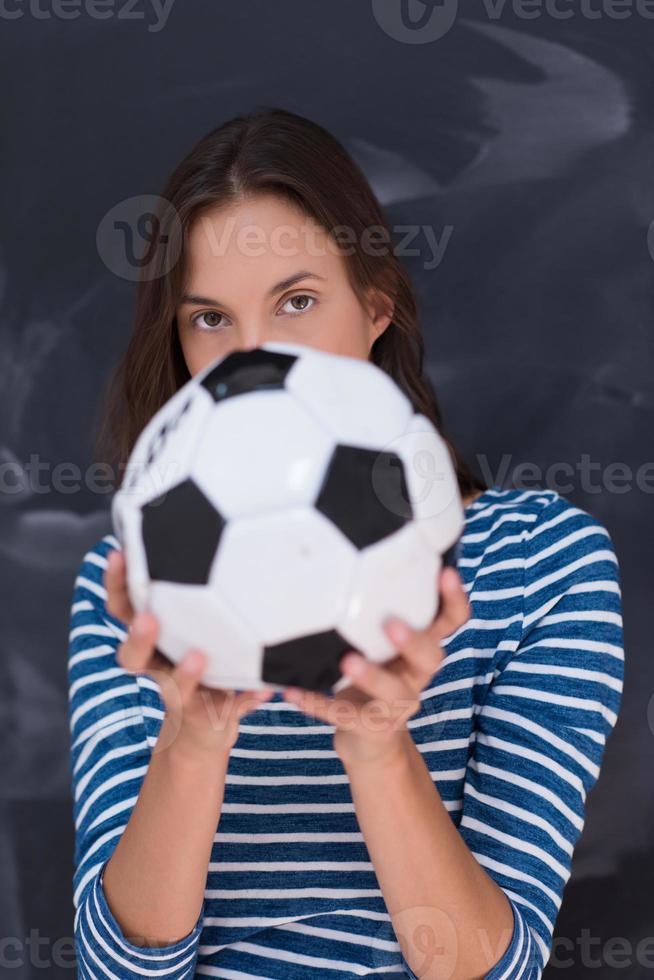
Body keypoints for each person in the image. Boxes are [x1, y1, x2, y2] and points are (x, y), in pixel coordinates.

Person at [67, 107, 624, 979]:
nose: (254, 356)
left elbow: (492, 970)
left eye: (296, 301)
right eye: (209, 318)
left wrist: (377, 745)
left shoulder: (539, 563)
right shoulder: (136, 585)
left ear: (375, 306)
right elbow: (118, 969)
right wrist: (193, 741)